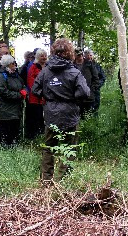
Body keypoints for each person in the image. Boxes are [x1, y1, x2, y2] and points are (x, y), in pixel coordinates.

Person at [32, 38, 90, 183]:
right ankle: (63, 179)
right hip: (70, 113)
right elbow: (85, 92)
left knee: (48, 147)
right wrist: (71, 97)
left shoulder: (45, 71)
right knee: (70, 147)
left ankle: (46, 179)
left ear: (53, 52)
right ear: (70, 53)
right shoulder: (74, 72)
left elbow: (35, 89)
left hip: (51, 113)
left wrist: (48, 96)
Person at [0, 55, 26, 148]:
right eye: (12, 63)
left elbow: (22, 85)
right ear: (7, 65)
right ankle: (5, 145)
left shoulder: (16, 75)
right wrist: (19, 95)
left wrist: (24, 91)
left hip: (16, 108)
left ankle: (14, 143)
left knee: (15, 127)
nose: (15, 65)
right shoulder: (1, 77)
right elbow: (3, 92)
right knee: (6, 128)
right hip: (5, 108)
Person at [26, 48, 48, 139]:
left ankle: (42, 136)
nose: (44, 57)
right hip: (35, 98)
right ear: (38, 57)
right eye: (42, 56)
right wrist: (41, 93)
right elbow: (31, 83)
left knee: (43, 119)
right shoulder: (33, 67)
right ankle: (33, 137)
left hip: (46, 97)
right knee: (35, 118)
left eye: (45, 55)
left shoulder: (48, 67)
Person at [74, 48, 99, 118]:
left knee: (89, 117)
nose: (80, 57)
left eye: (81, 55)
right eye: (78, 55)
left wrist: (92, 90)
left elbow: (96, 78)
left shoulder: (89, 64)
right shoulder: (72, 65)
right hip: (76, 97)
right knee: (77, 117)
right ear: (75, 56)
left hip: (89, 96)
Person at [84, 49, 106, 114]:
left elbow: (103, 77)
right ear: (84, 56)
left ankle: (95, 121)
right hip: (85, 91)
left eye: (90, 55)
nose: (89, 57)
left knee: (95, 107)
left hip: (95, 90)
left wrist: (97, 85)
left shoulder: (97, 66)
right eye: (87, 55)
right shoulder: (83, 66)